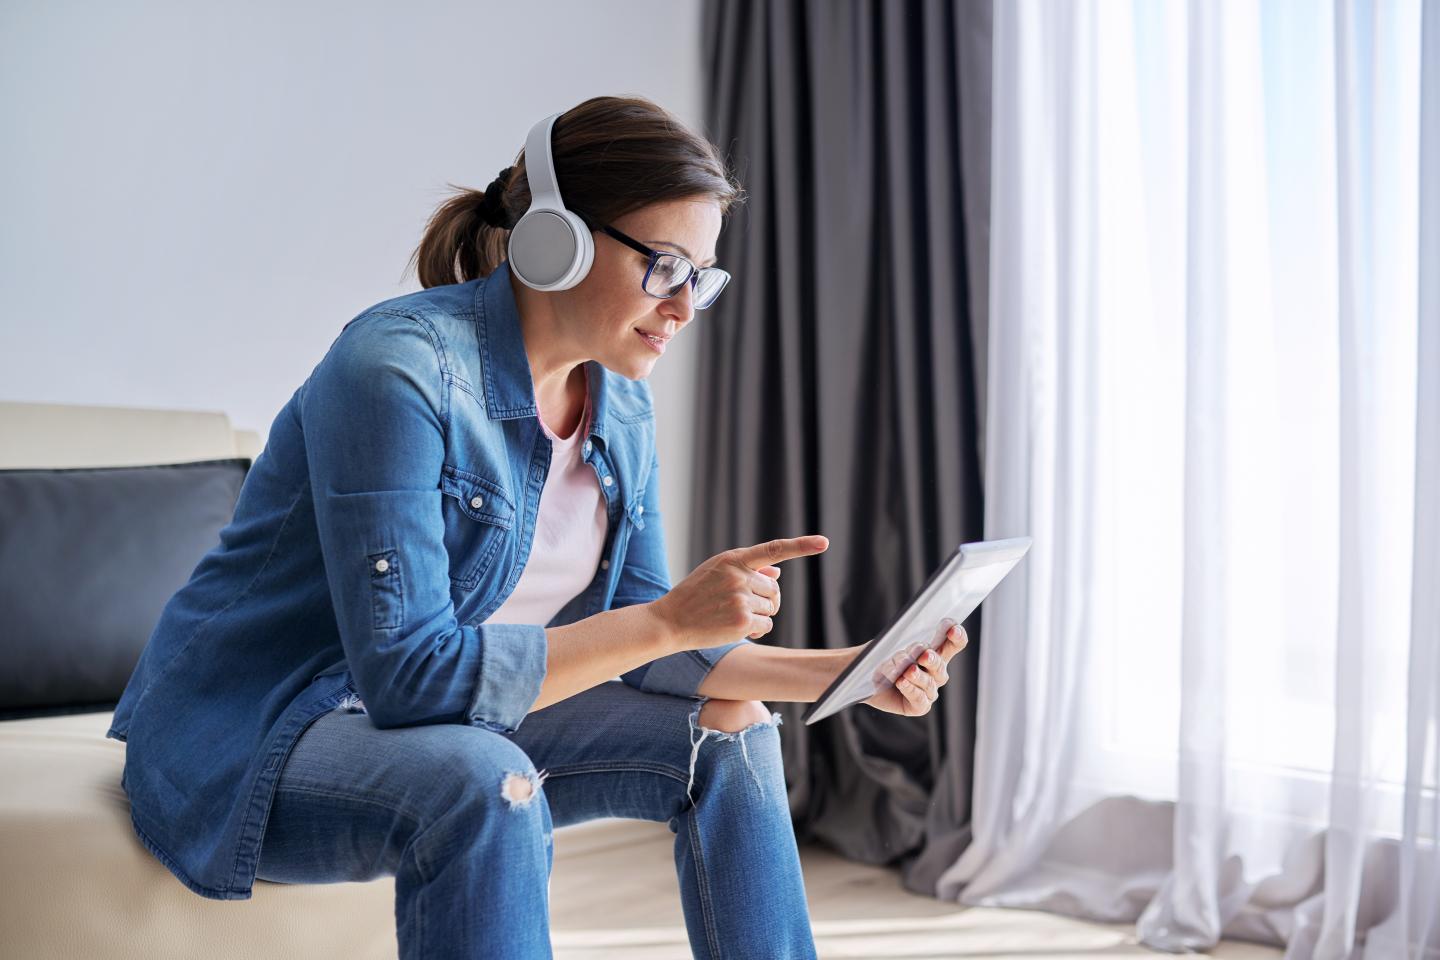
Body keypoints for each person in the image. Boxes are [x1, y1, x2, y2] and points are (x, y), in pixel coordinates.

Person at [106, 95, 967, 960]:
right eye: (665, 267)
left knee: (732, 731)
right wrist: (668, 620)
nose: (684, 308)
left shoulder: (620, 403)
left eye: (702, 278)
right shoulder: (395, 370)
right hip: (260, 732)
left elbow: (651, 643)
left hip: (448, 725)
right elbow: (408, 677)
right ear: (557, 241)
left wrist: (853, 672)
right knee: (488, 780)